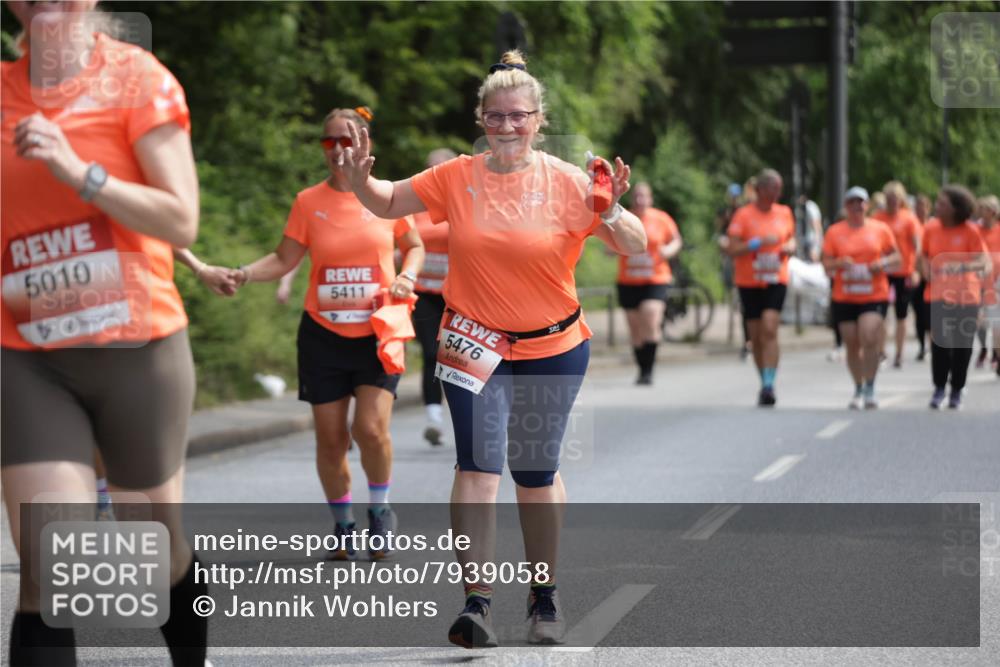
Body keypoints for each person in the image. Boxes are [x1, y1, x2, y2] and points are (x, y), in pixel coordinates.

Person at [338, 50, 646, 647]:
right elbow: (387, 200)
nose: (507, 127)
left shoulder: (568, 180)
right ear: (481, 119)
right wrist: (357, 182)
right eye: (496, 116)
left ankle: (543, 593)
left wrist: (611, 209)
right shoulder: (457, 176)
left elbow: (632, 244)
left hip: (552, 344)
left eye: (518, 116)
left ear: (538, 120)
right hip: (473, 340)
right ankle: (476, 602)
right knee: (477, 468)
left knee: (533, 472)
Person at [1, 4, 208, 665]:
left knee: (156, 547)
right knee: (49, 558)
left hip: (136, 349)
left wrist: (78, 171)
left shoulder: (138, 79)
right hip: (27, 356)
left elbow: (181, 219)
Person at [225, 107, 425, 559]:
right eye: (329, 141)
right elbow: (284, 259)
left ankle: (380, 511)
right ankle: (344, 525)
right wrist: (243, 273)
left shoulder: (387, 196)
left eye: (346, 141)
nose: (337, 150)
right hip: (322, 336)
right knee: (331, 439)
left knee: (369, 429)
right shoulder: (308, 202)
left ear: (365, 143)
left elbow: (413, 245)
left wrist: (407, 276)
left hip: (378, 331)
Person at [821, 188, 901, 409]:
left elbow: (897, 257)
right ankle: (858, 387)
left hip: (874, 294)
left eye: (861, 202)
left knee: (869, 336)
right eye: (852, 203)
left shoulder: (880, 229)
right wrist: (839, 263)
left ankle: (870, 387)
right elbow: (825, 263)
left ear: (867, 205)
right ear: (846, 206)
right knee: (852, 343)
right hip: (845, 295)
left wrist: (881, 263)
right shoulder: (835, 232)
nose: (857, 206)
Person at [726, 168, 796, 406]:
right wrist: (757, 243)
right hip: (749, 281)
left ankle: (769, 383)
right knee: (756, 337)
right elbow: (732, 248)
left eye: (779, 189)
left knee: (769, 328)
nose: (777, 193)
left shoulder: (784, 212)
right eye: (773, 188)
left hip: (776, 278)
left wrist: (790, 247)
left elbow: (791, 238)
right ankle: (764, 381)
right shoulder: (743, 215)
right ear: (760, 189)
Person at [919, 185, 991, 409]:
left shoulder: (971, 231)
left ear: (955, 208)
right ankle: (939, 387)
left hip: (965, 296)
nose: (937, 206)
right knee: (940, 343)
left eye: (942, 203)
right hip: (937, 295)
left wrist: (960, 266)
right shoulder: (931, 228)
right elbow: (923, 255)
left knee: (962, 345)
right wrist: (926, 270)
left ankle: (957, 388)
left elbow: (983, 261)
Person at [411, 148, 458, 444]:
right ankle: (434, 419)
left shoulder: (465, 204)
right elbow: (403, 242)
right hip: (423, 293)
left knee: (457, 357)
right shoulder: (413, 205)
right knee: (432, 353)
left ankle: (467, 418)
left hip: (459, 296)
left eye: (442, 168)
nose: (436, 175)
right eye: (431, 169)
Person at [618, 182, 682, 384]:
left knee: (651, 317)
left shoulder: (661, 218)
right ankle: (642, 368)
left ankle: (649, 370)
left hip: (656, 278)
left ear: (650, 199)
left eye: (643, 196)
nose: (639, 200)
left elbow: (676, 240)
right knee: (635, 329)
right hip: (628, 280)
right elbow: (610, 243)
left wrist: (668, 250)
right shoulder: (623, 217)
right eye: (636, 196)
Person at [873, 181, 922, 369]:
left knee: (901, 314)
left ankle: (899, 354)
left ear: (901, 200)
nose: (892, 202)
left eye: (895, 198)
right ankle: (881, 351)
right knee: (881, 313)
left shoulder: (908, 218)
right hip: (883, 272)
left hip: (904, 271)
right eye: (889, 198)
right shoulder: (878, 217)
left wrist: (916, 270)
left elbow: (917, 247)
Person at [716, 182, 752, 360]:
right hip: (733, 260)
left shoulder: (745, 212)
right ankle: (747, 341)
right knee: (741, 301)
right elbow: (720, 232)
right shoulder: (726, 212)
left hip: (746, 262)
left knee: (748, 305)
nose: (734, 199)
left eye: (736, 196)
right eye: (732, 196)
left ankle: (750, 341)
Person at [975, 195, 1000, 373]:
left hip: (996, 282)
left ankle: (996, 355)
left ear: (992, 212)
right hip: (977, 282)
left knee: (996, 323)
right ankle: (984, 347)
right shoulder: (974, 230)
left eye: (982, 209)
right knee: (979, 321)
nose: (979, 212)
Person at [913, 194, 933, 360]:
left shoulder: (933, 226)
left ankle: (933, 344)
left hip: (932, 276)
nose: (920, 209)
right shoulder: (912, 224)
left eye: (923, 206)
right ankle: (922, 346)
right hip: (916, 274)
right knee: (919, 313)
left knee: (931, 313)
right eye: (918, 206)